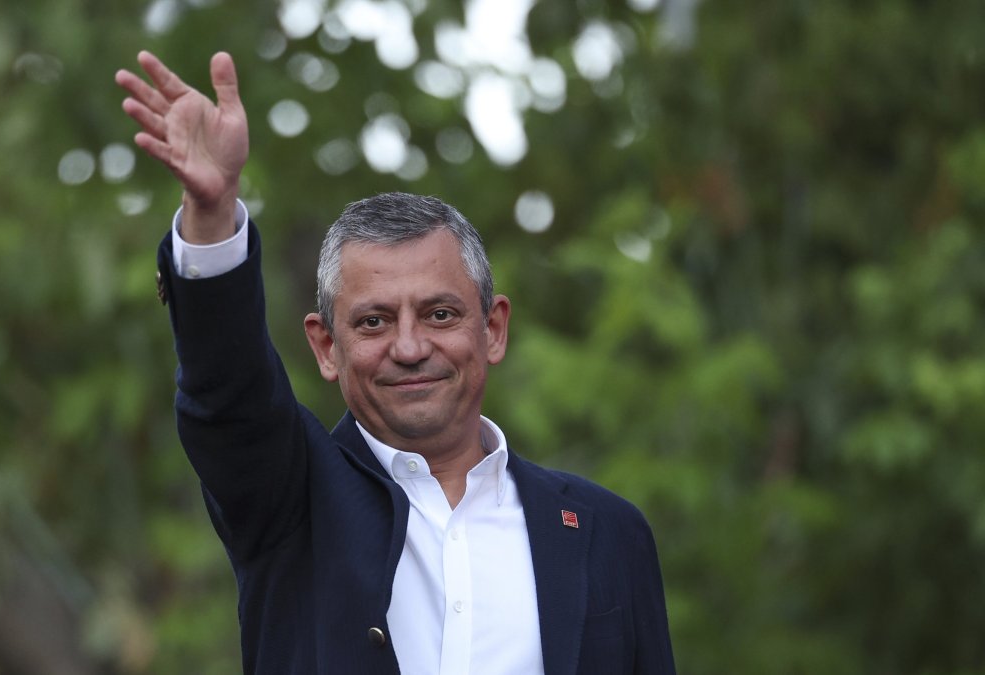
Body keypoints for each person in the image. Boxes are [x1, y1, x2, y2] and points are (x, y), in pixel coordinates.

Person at [116, 49, 675, 675]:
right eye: (374, 322)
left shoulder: (607, 532)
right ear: (327, 347)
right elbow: (228, 395)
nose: (409, 348)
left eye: (439, 315)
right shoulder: (290, 499)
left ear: (493, 329)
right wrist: (214, 216)